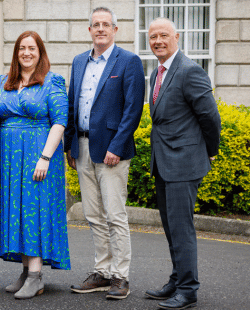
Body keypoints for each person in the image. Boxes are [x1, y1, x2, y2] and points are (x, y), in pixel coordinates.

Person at [64, 7, 144, 300]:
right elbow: (73, 105)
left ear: (114, 30)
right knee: (93, 215)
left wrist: (117, 146)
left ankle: (121, 277)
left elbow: (133, 110)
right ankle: (102, 272)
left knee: (114, 215)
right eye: (95, 25)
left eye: (105, 25)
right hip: (82, 148)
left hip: (112, 151)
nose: (100, 29)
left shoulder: (129, 62)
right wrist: (69, 145)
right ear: (90, 31)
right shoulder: (78, 61)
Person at [144, 17, 221, 310]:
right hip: (164, 163)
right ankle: (177, 280)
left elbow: (210, 118)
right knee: (171, 227)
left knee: (181, 228)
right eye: (153, 37)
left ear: (177, 37)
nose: (158, 41)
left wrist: (210, 150)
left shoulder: (190, 71)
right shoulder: (157, 73)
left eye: (164, 35)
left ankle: (188, 290)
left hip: (183, 163)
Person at [0, 30, 70, 300]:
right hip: (10, 159)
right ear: (16, 53)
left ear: (40, 52)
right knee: (17, 210)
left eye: (32, 48)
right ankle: (26, 272)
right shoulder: (2, 82)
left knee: (33, 209)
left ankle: (35, 276)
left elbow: (59, 121)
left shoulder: (52, 81)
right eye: (22, 48)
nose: (26, 53)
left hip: (39, 157)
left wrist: (45, 157)